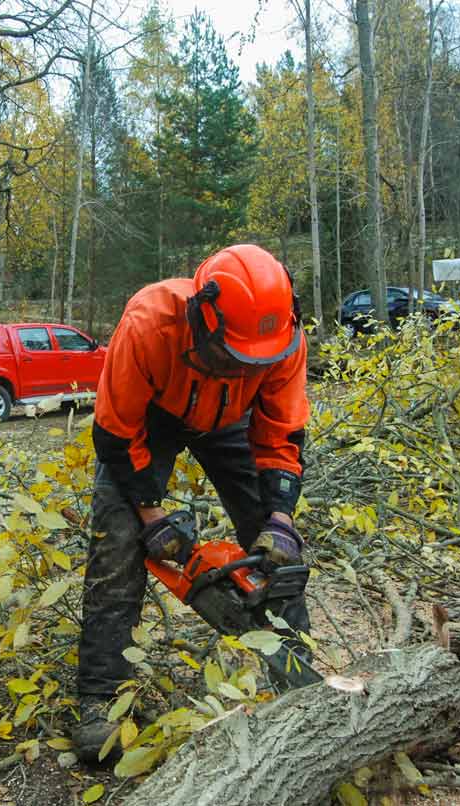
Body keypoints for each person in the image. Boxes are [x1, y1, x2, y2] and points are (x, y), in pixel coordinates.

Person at [73, 244, 314, 761]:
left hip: (232, 419)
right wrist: (151, 516)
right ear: (203, 318)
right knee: (117, 543)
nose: (237, 365)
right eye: (230, 355)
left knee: (276, 551)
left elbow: (282, 435)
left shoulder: (281, 340)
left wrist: (279, 517)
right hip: (154, 418)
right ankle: (101, 696)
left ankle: (301, 669)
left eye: (251, 359)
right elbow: (116, 433)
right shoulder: (149, 323)